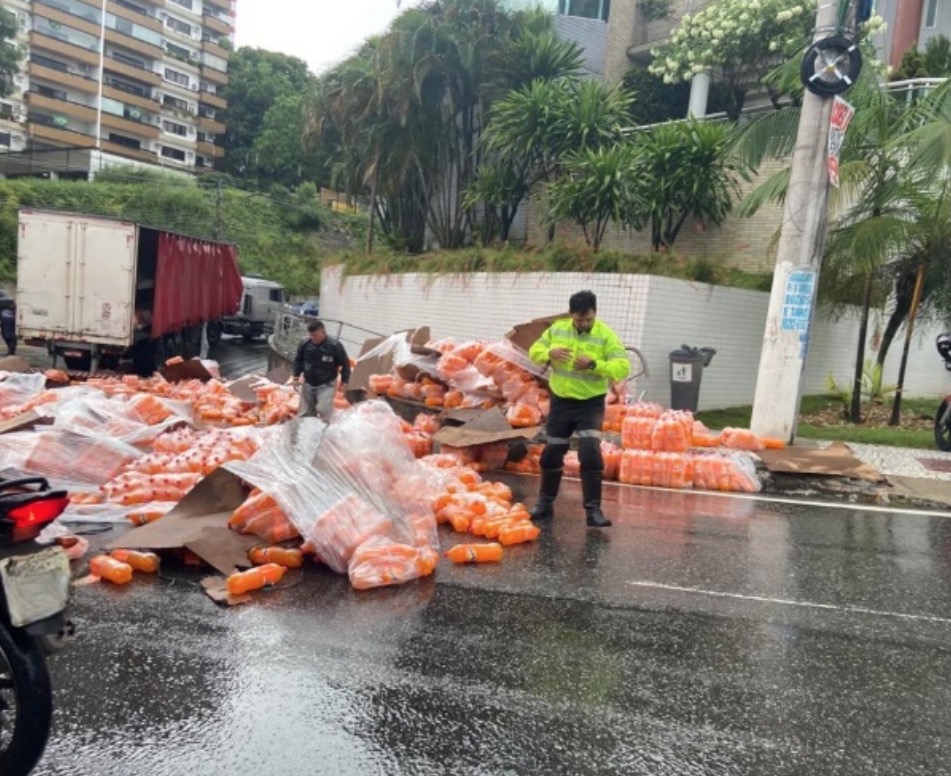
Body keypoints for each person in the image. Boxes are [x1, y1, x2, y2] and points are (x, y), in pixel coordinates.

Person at [528, 290, 629, 528]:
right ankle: (544, 504)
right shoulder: (557, 329)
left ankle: (593, 511)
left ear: (595, 313)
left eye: (588, 319)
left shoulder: (605, 335)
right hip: (561, 401)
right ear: (571, 314)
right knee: (553, 452)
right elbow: (534, 352)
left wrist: (594, 364)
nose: (584, 324)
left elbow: (622, 367)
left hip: (590, 403)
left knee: (590, 454)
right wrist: (548, 353)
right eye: (579, 319)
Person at [293, 320, 351, 420]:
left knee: (323, 409)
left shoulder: (335, 346)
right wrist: (296, 377)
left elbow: (345, 364)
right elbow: (298, 360)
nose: (312, 338)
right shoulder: (305, 344)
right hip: (308, 383)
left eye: (315, 335)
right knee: (305, 413)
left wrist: (344, 382)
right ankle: (309, 432)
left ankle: (325, 429)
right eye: (310, 335)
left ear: (323, 332)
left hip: (326, 384)